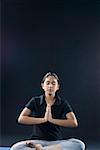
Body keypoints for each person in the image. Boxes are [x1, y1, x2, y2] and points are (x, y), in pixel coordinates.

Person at [10, 72, 85, 150]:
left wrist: (51, 120)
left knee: (79, 144)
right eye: (48, 83)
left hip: (56, 142)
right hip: (37, 141)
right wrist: (44, 120)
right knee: (15, 148)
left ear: (57, 87)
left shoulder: (62, 103)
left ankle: (42, 149)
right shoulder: (35, 101)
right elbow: (21, 119)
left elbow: (73, 122)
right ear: (43, 86)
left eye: (53, 83)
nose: (50, 86)